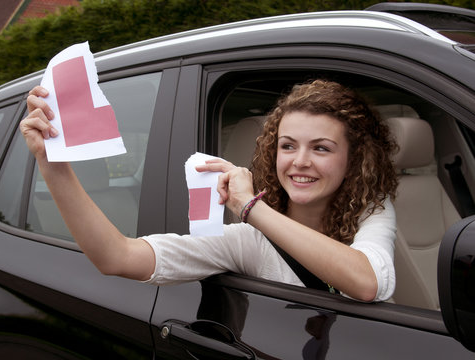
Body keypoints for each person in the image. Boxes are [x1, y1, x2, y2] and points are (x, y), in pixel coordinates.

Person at [20, 79, 398, 302]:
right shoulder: (246, 241)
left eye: (321, 148)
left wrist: (252, 207)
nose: (299, 161)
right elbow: (116, 257)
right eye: (287, 145)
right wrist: (52, 166)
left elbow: (367, 281)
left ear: (354, 159)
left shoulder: (371, 212)